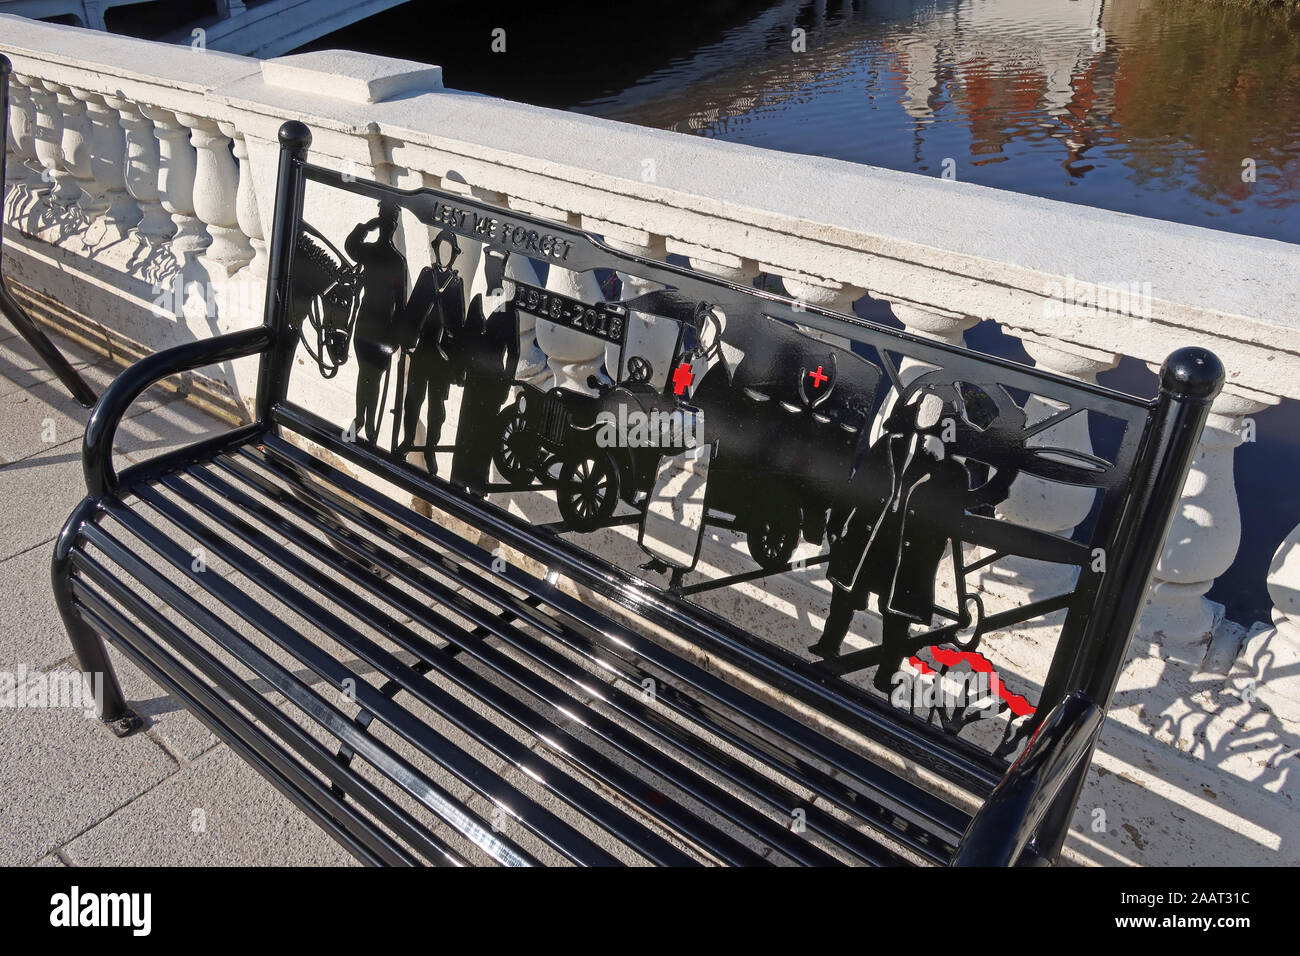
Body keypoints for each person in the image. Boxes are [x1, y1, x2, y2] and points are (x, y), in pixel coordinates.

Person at [809, 388, 970, 693]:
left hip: (907, 549)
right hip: (870, 534)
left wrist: (931, 551)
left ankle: (887, 673)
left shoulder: (950, 472)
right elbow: (859, 488)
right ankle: (829, 642)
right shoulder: (888, 446)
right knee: (844, 594)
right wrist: (838, 525)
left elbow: (949, 522)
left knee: (896, 615)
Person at [396, 229, 465, 474]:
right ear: (436, 251)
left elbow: (458, 324)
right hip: (422, 349)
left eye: (449, 252)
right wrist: (406, 339)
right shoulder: (427, 276)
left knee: (437, 409)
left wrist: (456, 360)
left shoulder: (456, 284)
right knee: (412, 400)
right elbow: (414, 308)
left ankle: (430, 450)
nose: (444, 255)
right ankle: (407, 440)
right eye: (441, 250)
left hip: (441, 357)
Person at [344, 201, 407, 444]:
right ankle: (362, 419)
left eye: (391, 223)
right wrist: (366, 227)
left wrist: (397, 337)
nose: (387, 227)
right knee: (365, 373)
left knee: (373, 374)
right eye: (385, 222)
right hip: (367, 321)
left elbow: (400, 303)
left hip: (383, 325)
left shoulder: (396, 261)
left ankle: (369, 424)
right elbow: (350, 246)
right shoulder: (370, 252)